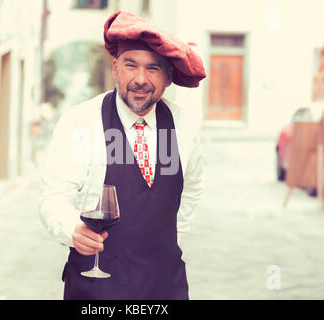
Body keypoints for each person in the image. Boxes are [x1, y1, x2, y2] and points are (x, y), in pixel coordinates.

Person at [39, 11, 206, 300]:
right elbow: (53, 195)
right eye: (131, 65)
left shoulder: (183, 126)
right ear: (115, 67)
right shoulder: (81, 122)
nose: (140, 79)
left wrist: (163, 240)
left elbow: (191, 190)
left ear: (168, 77)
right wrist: (72, 229)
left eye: (153, 69)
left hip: (165, 285)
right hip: (97, 285)